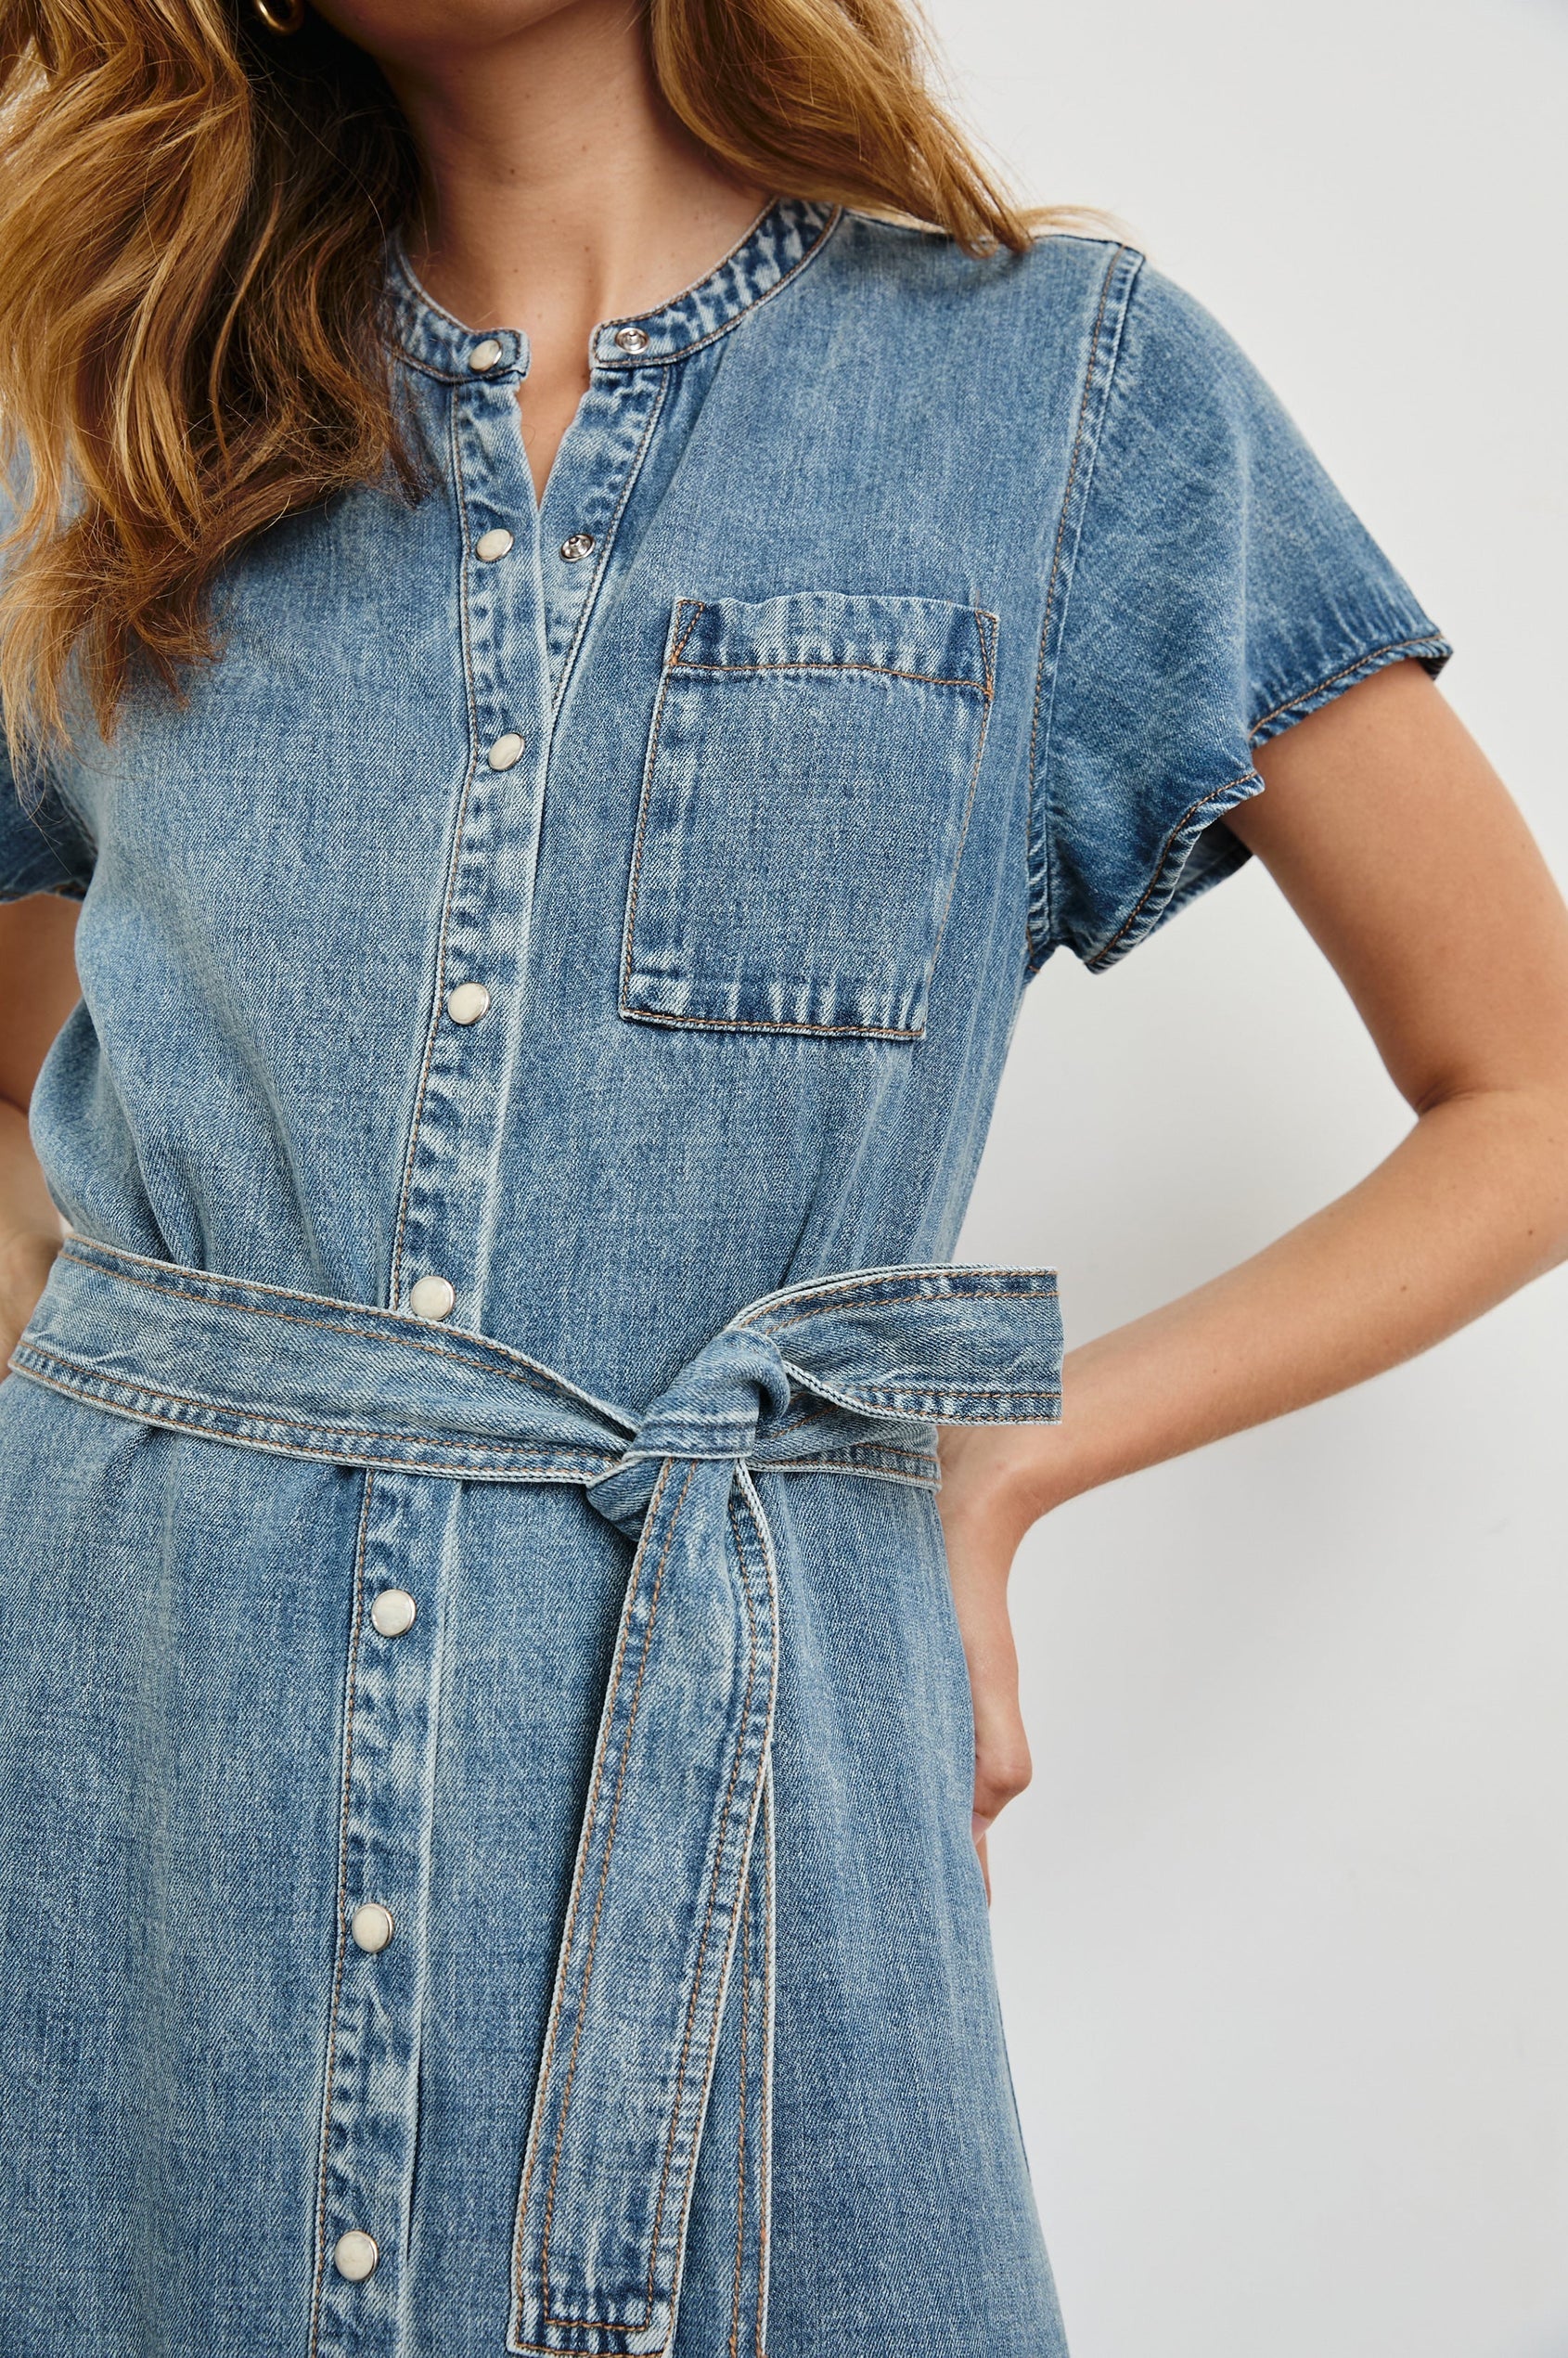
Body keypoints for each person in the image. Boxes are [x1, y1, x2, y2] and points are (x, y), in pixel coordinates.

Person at [1, 1, 1564, 2352]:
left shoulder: (1059, 394)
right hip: (132, 1770)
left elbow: (1524, 1087)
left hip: (749, 1753)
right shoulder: (129, 399)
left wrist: (1008, 1460)